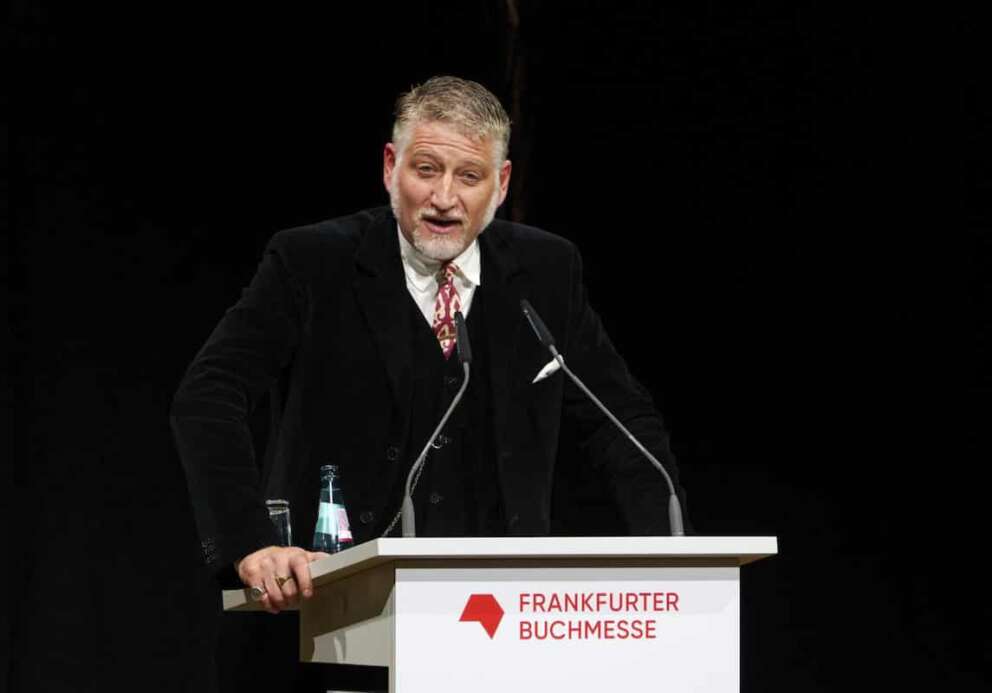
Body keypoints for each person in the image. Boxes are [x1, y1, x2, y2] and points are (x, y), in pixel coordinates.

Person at [171, 75, 688, 616]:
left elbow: (622, 423)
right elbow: (208, 395)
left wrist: (679, 567)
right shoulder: (312, 262)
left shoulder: (546, 272)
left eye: (469, 176)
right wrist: (250, 543)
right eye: (426, 170)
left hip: (495, 611)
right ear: (390, 166)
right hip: (329, 605)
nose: (445, 198)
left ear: (502, 183)